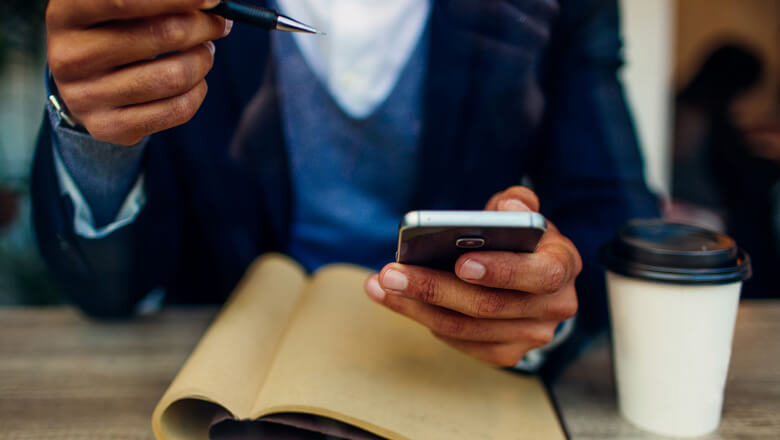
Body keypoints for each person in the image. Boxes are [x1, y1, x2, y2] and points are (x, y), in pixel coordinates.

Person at [33, 0, 658, 378]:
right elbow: (109, 292)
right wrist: (90, 127)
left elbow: (613, 222)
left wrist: (539, 318)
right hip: (220, 381)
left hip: (450, 378)